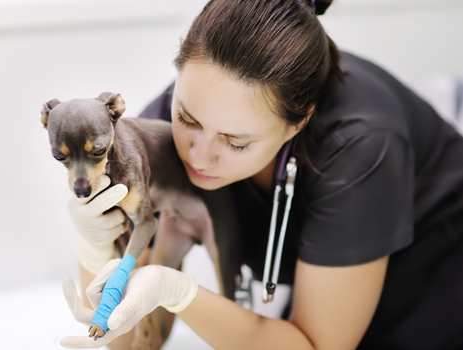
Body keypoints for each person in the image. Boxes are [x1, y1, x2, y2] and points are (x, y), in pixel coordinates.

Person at [60, 0, 463, 349]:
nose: (197, 155)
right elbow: (133, 343)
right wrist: (96, 252)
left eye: (235, 143)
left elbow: (317, 345)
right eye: (186, 118)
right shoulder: (155, 134)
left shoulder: (363, 146)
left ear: (297, 124)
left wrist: (179, 293)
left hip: (435, 298)